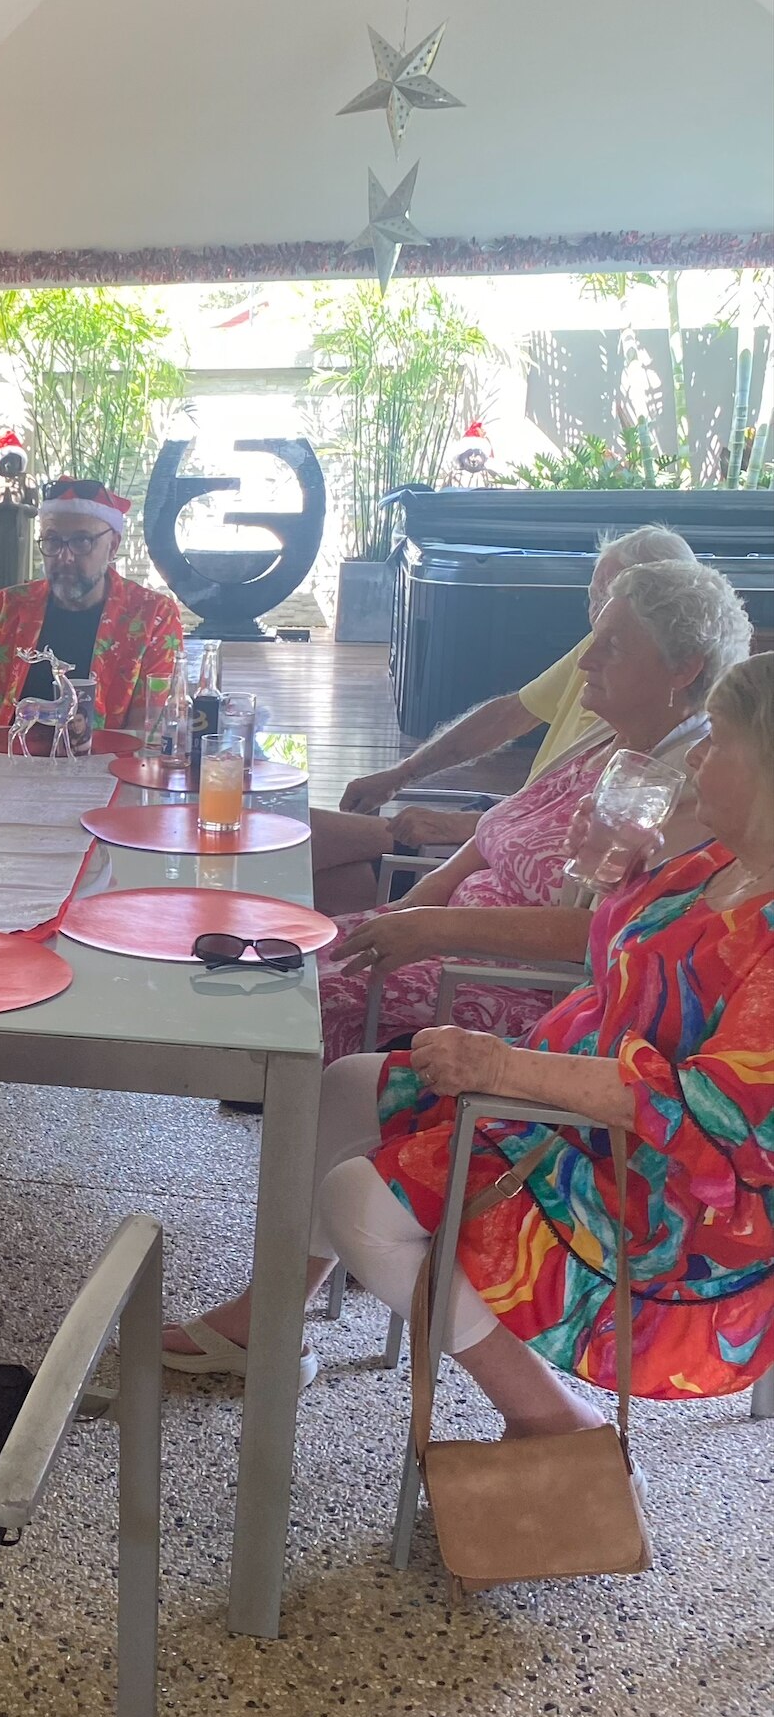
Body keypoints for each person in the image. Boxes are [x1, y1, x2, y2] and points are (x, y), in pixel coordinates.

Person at [168, 650, 774, 1426]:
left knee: (361, 1201)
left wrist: (503, 1066)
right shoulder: (724, 865)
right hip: (581, 1120)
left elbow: (716, 1116)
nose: (696, 756)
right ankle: (270, 1325)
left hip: (672, 1208)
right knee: (347, 1083)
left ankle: (553, 1425)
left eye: (718, 740)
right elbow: (618, 962)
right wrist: (621, 878)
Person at [312, 558, 749, 1065]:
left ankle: (299, 1129)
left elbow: (603, 933)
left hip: (519, 986)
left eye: (612, 647)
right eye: (594, 639)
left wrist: (436, 927)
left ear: (683, 668)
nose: (587, 660)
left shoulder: (678, 788)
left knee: (308, 992)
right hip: (442, 936)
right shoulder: (608, 733)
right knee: (288, 955)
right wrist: (417, 903)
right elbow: (498, 828)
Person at [313, 525, 697, 912]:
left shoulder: (655, 737)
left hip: (499, 852)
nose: (597, 619)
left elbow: (589, 891)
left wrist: (457, 828)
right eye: (596, 597)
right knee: (297, 850)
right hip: (503, 824)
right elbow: (509, 715)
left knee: (304, 854)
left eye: (615, 598)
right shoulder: (599, 657)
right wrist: (403, 773)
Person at [0, 476, 184, 733]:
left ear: (113, 546)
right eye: (53, 541)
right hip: (3, 762)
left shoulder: (153, 616)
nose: (64, 557)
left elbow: (148, 729)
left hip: (106, 767)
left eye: (82, 541)